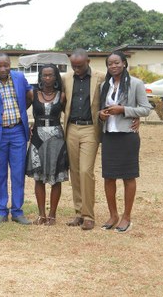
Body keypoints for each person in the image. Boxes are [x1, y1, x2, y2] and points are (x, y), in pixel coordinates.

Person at [98, 51, 151, 233]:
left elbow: (145, 109)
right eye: (110, 64)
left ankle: (126, 217)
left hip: (127, 135)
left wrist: (124, 110)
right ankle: (113, 215)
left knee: (128, 176)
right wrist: (101, 114)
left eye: (116, 63)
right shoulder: (105, 85)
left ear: (124, 63)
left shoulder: (135, 83)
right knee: (108, 176)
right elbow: (100, 109)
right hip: (109, 136)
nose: (113, 66)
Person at [0, 53, 34, 225]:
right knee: (0, 174)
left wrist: (22, 114)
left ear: (10, 64)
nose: (2, 69)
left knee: (18, 173)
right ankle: (2, 211)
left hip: (18, 131)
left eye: (6, 65)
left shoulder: (19, 78)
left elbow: (29, 95)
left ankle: (17, 211)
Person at [62, 48, 106, 230]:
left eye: (79, 66)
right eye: (73, 66)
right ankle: (79, 213)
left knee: (86, 170)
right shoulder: (66, 78)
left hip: (90, 127)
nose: (76, 69)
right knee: (75, 171)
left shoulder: (101, 77)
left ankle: (89, 215)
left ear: (88, 62)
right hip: (71, 127)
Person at [25, 64, 69, 226]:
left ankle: (52, 215)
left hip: (56, 138)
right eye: (45, 75)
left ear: (56, 77)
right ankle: (41, 214)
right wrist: (28, 126)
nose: (48, 78)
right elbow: (22, 111)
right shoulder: (32, 94)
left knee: (56, 178)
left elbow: (70, 113)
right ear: (40, 77)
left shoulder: (62, 96)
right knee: (39, 177)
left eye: (51, 75)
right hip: (37, 136)